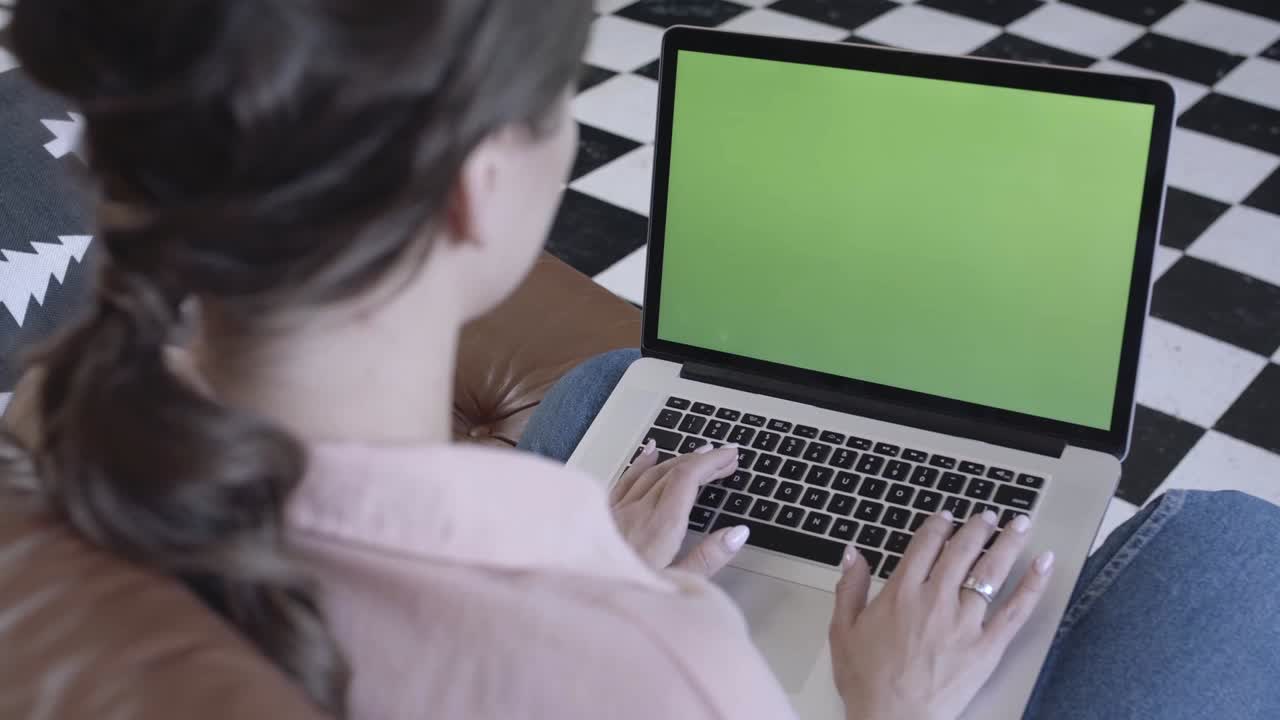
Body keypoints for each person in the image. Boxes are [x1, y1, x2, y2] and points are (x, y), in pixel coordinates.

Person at [3, 1, 1279, 718]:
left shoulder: (40, 456)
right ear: (474, 186)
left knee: (624, 394)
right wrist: (891, 708)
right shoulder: (656, 671)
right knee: (1237, 548)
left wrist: (594, 559)